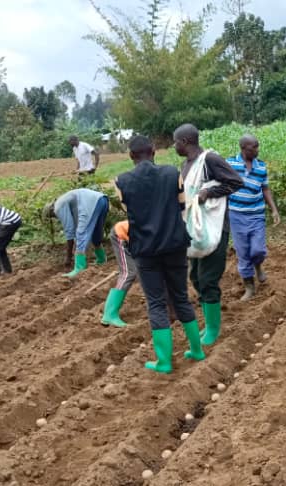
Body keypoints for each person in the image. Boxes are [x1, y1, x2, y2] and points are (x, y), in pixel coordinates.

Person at [115, 136, 206, 373]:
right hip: (174, 245)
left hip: (145, 250)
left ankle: (164, 362)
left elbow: (128, 210)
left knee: (156, 303)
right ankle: (196, 350)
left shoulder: (121, 181)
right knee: (181, 297)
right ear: (154, 151)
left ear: (130, 155)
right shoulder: (171, 173)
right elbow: (181, 205)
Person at [174, 124, 243, 346]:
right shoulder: (186, 165)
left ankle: (213, 329)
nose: (174, 146)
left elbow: (235, 182)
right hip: (195, 229)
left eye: (175, 142)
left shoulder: (210, 159)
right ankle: (208, 324)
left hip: (214, 228)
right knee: (195, 278)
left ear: (185, 141)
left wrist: (209, 192)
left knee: (208, 279)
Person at [227, 135, 281, 302]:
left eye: (257, 147)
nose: (257, 150)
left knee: (258, 249)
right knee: (243, 252)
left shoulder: (261, 166)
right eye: (254, 147)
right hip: (236, 215)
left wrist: (274, 209)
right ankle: (249, 287)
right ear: (243, 148)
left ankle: (257, 266)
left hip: (256, 214)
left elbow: (265, 189)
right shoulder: (230, 164)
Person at [43, 188, 109, 277]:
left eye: (53, 216)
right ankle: (101, 259)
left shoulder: (58, 207)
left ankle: (79, 267)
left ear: (51, 212)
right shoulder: (64, 200)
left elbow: (69, 230)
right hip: (102, 199)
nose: (56, 217)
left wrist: (68, 258)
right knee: (96, 232)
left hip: (90, 202)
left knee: (80, 233)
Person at [100, 220, 139, 328]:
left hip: (134, 238)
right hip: (120, 234)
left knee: (136, 271)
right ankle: (109, 314)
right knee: (128, 273)